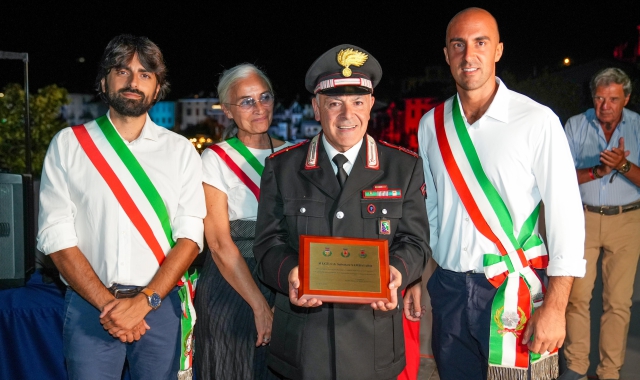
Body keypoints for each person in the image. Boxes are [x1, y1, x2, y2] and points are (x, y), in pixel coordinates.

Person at [415, 8, 586, 380]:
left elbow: (566, 217)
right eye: (457, 45)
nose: (468, 55)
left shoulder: (537, 121)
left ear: (498, 51)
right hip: (448, 289)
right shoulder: (431, 125)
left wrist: (556, 307)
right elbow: (428, 210)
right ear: (446, 55)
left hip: (512, 290)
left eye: (480, 42)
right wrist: (417, 276)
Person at [253, 44, 430, 380]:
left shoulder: (403, 167)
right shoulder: (283, 168)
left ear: (371, 105)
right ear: (316, 109)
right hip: (304, 346)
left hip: (373, 342)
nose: (347, 115)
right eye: (334, 104)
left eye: (357, 102)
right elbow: (267, 244)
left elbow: (416, 241)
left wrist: (396, 273)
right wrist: (291, 271)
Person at [36, 34, 205, 379]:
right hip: (89, 308)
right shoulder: (69, 145)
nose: (133, 82)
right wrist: (109, 306)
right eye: (122, 71)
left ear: (158, 89)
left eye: (145, 74)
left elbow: (190, 238)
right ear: (103, 81)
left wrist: (143, 303)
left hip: (159, 307)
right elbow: (55, 237)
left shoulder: (181, 151)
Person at [193, 63, 292, 379]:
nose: (260, 108)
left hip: (283, 279)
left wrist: (283, 299)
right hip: (232, 283)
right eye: (247, 101)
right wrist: (259, 306)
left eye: (265, 97)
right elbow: (220, 244)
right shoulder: (216, 159)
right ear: (228, 110)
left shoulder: (292, 155)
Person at [561, 67, 640, 380]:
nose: (605, 105)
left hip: (627, 219)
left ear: (626, 99)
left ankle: (609, 372)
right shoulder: (576, 125)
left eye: (613, 99)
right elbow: (562, 178)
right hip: (584, 219)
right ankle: (577, 366)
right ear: (592, 97)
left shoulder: (638, 126)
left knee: (618, 303)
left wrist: (622, 165)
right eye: (599, 98)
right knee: (577, 297)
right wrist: (596, 172)